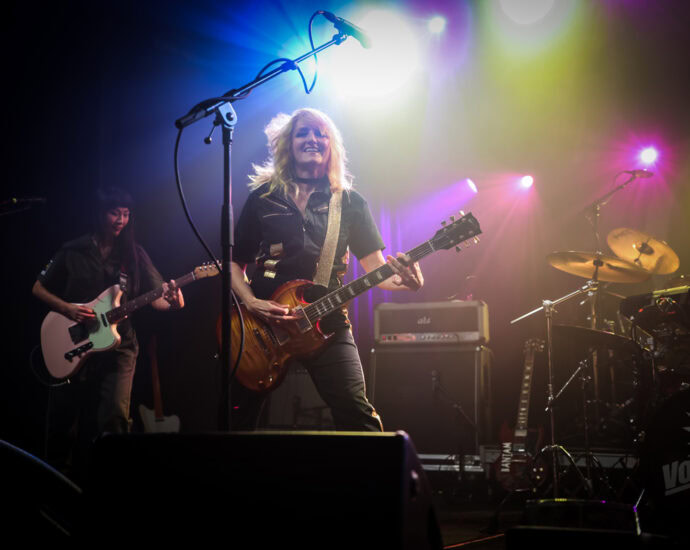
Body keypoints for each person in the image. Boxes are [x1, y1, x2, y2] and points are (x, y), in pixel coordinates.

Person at [230, 107, 424, 431]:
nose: (312, 139)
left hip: (326, 322)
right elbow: (234, 264)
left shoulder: (350, 202)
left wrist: (409, 281)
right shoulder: (263, 198)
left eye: (321, 133)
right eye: (303, 132)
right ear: (288, 144)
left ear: (331, 145)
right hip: (261, 327)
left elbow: (378, 269)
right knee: (235, 420)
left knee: (357, 416)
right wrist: (251, 302)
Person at [32, 186, 184, 482]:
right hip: (74, 341)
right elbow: (38, 287)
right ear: (100, 214)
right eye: (115, 213)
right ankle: (55, 490)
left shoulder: (134, 255)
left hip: (119, 346)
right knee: (62, 423)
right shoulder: (73, 250)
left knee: (114, 419)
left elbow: (158, 299)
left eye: (126, 214)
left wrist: (175, 300)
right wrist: (67, 309)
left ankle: (111, 487)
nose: (121, 220)